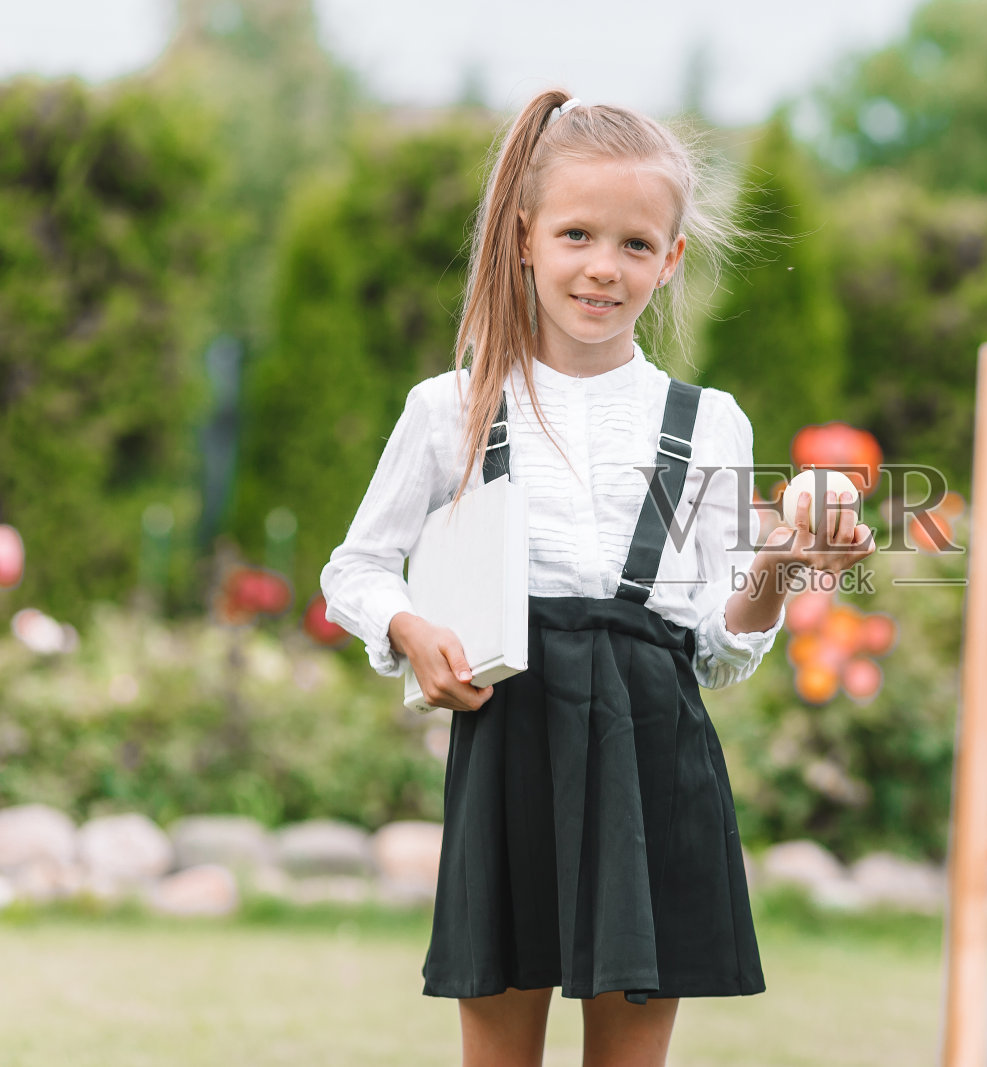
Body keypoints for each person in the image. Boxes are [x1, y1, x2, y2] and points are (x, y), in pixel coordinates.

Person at [319, 89, 876, 1067]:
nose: (602, 267)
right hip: (510, 741)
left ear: (670, 260)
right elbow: (354, 568)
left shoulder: (708, 423)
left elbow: (717, 644)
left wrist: (783, 564)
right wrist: (408, 626)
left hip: (653, 750)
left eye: (633, 244)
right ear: (525, 236)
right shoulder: (450, 406)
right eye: (577, 233)